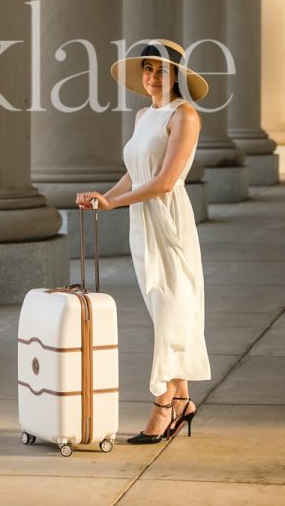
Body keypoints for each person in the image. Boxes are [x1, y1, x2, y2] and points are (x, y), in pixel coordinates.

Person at [75, 38, 211, 444]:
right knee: (164, 307)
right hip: (143, 221)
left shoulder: (184, 115)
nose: (152, 77)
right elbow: (136, 173)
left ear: (177, 77)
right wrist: (105, 198)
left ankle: (163, 404)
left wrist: (116, 204)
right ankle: (184, 399)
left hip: (169, 221)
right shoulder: (142, 116)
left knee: (172, 306)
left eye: (161, 70)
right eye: (148, 69)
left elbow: (166, 181)